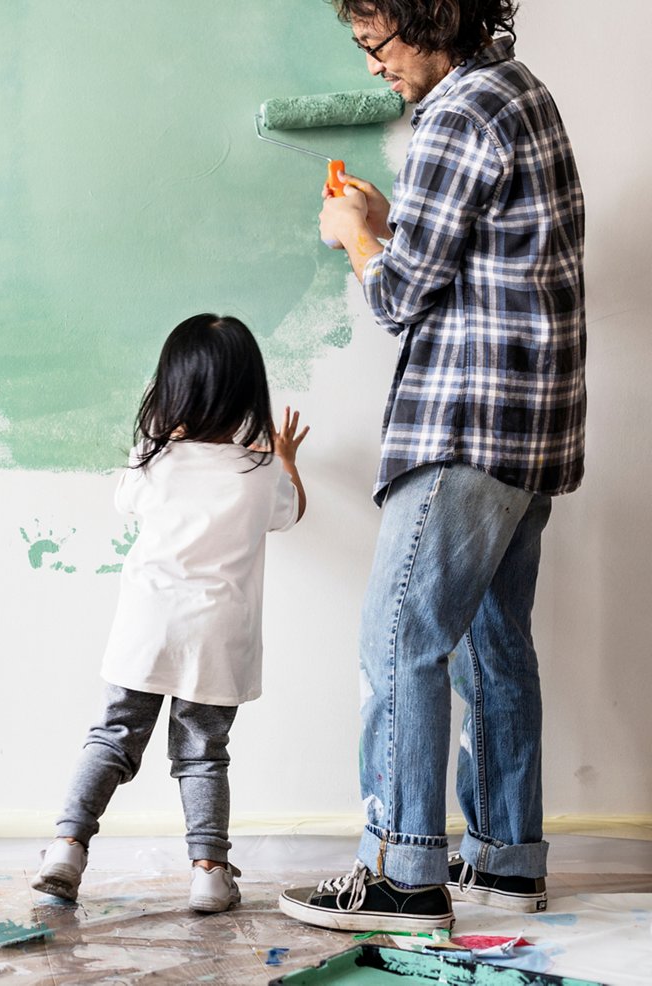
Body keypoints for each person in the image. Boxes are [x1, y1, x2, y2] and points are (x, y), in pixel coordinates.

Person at [279, 0, 585, 933]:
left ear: (426, 16)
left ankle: (402, 874)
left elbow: (404, 294)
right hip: (528, 431)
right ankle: (505, 862)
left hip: (463, 422)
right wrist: (388, 216)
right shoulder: (516, 93)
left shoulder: (455, 113)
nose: (372, 66)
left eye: (375, 42)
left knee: (399, 640)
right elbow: (475, 256)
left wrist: (354, 237)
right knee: (492, 650)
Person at [32, 314, 309, 913]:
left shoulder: (152, 460)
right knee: (203, 752)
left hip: (147, 628)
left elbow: (125, 500)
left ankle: (66, 848)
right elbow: (291, 514)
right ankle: (209, 873)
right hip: (218, 635)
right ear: (247, 392)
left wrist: (168, 439)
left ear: (172, 389)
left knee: (113, 737)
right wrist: (285, 458)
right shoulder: (259, 471)